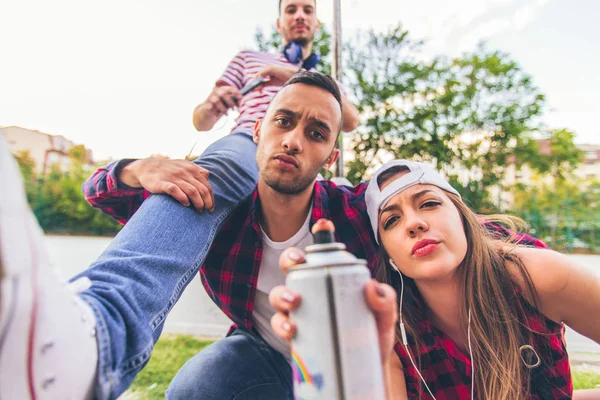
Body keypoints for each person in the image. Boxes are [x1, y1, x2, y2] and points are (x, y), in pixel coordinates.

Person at [1, 72, 365, 400]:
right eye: (283, 122)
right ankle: (93, 339)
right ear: (258, 129)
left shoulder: (351, 212)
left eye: (315, 134)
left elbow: (394, 182)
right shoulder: (218, 211)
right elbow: (99, 190)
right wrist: (137, 168)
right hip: (268, 355)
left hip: (351, 370)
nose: (293, 141)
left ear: (331, 158)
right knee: (195, 387)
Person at [270, 160, 600, 399]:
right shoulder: (393, 335)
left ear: (464, 217)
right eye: (392, 220)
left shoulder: (535, 276)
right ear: (388, 254)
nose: (413, 224)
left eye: (429, 203)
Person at [83, 0, 359, 224]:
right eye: (291, 10)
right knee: (202, 181)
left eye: (307, 10)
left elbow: (351, 120)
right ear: (279, 24)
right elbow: (201, 121)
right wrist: (211, 106)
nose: (299, 15)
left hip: (305, 154)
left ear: (316, 22)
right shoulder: (248, 58)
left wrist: (293, 74)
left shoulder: (324, 79)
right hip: (247, 140)